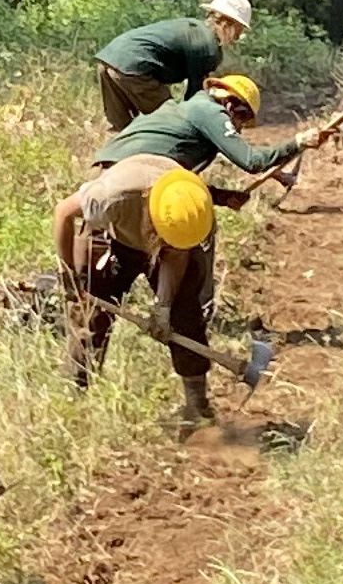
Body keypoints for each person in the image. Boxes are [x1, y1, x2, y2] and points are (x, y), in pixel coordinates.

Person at [55, 153, 221, 429]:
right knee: (90, 315)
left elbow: (175, 256)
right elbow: (62, 212)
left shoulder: (193, 211)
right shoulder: (111, 198)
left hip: (165, 240)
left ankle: (197, 406)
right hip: (110, 236)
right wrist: (69, 275)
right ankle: (75, 400)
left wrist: (163, 307)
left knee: (185, 312)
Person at [94, 68, 309, 189]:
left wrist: (220, 197)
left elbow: (183, 180)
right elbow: (252, 161)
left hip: (105, 170)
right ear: (230, 104)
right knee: (195, 234)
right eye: (242, 117)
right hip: (139, 175)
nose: (240, 127)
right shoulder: (211, 113)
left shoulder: (189, 109)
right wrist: (298, 142)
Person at [94, 0, 253, 137]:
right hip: (133, 68)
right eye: (239, 30)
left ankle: (109, 164)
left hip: (108, 60)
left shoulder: (193, 27)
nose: (238, 37)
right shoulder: (209, 48)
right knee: (170, 122)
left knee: (120, 128)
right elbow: (194, 99)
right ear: (227, 24)